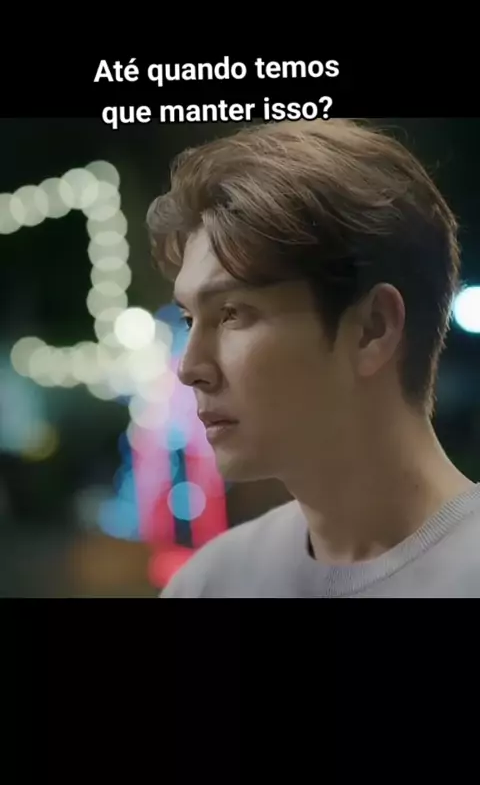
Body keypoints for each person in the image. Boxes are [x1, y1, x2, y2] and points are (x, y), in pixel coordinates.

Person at [146, 118, 479, 598]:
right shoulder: (208, 584)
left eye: (232, 313)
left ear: (372, 329)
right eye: (187, 319)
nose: (189, 368)